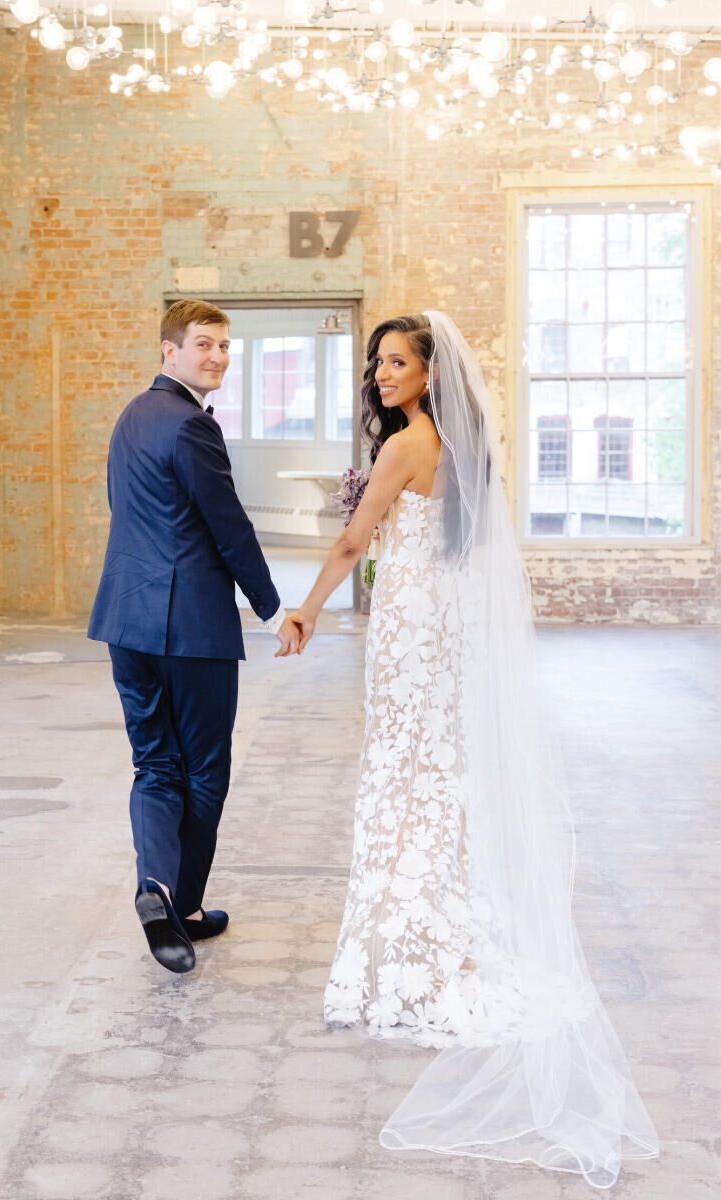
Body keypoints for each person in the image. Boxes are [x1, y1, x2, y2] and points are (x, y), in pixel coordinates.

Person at [290, 312, 659, 1188]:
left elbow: (355, 540)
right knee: (436, 775)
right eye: (377, 362)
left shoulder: (404, 447)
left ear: (428, 374)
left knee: (402, 772)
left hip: (411, 628)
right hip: (446, 629)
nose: (382, 374)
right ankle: (440, 933)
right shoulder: (464, 448)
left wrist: (305, 607)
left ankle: (408, 953)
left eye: (396, 362)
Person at [88, 299, 300, 975]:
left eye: (224, 347)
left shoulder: (131, 418)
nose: (216, 358)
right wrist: (273, 609)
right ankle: (183, 907)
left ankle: (157, 887)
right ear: (168, 351)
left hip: (127, 618)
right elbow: (228, 525)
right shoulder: (190, 427)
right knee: (204, 769)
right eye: (203, 345)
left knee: (155, 764)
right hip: (193, 626)